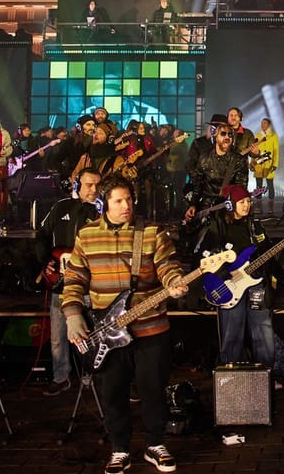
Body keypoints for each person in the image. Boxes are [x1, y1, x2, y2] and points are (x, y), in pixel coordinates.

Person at [62, 175, 186, 474]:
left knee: (153, 389)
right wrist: (73, 314)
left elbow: (168, 265)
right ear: (104, 204)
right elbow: (75, 278)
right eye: (118, 201)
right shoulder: (87, 235)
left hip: (149, 328)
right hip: (107, 333)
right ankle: (119, 449)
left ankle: (155, 444)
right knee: (112, 392)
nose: (126, 206)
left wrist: (175, 283)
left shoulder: (153, 232)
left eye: (129, 200)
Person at [195, 184, 278, 367]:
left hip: (256, 283)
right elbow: (204, 257)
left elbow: (266, 250)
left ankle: (266, 375)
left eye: (248, 201)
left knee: (263, 329)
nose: (246, 205)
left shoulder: (254, 226)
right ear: (230, 204)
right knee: (232, 331)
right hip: (231, 285)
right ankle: (229, 375)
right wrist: (225, 274)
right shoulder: (218, 227)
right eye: (241, 202)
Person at [34, 168, 100, 396]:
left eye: (97, 186)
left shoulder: (102, 213)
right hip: (60, 282)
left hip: (89, 283)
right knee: (57, 335)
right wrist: (45, 261)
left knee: (90, 331)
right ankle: (60, 377)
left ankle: (90, 373)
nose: (94, 190)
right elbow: (42, 234)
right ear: (77, 185)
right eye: (89, 185)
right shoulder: (60, 207)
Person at [252, 118, 280, 215]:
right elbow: (254, 150)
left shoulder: (273, 136)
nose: (262, 125)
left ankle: (270, 208)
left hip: (269, 163)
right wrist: (252, 163)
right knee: (258, 186)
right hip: (259, 163)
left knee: (270, 186)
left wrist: (275, 164)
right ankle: (258, 207)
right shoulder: (258, 135)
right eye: (262, 123)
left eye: (264, 123)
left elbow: (276, 151)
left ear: (269, 124)